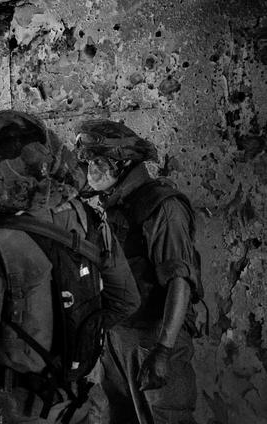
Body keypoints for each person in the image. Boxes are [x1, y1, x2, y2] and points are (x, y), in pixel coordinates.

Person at [0, 110, 140, 424]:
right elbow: (126, 300)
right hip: (86, 400)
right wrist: (76, 337)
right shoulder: (89, 216)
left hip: (22, 406)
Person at [75, 120, 203, 424]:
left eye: (99, 162)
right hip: (118, 339)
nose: (91, 170)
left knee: (165, 417)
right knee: (122, 417)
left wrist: (163, 351)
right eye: (89, 161)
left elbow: (179, 281)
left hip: (154, 337)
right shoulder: (113, 206)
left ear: (126, 164)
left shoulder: (163, 206)